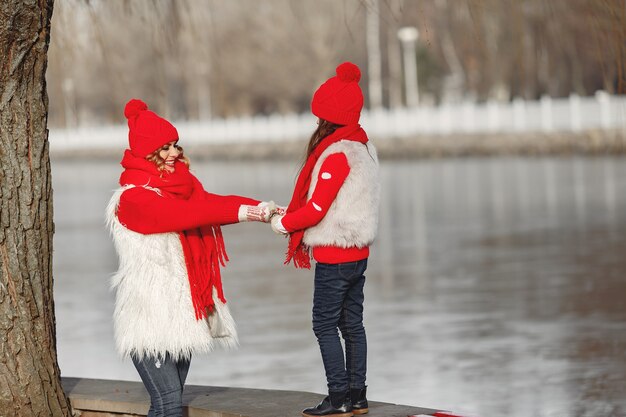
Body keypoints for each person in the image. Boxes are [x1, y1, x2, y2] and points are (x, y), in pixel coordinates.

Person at [106, 99, 275, 417]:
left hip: (183, 315)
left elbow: (209, 203)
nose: (174, 153)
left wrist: (263, 209)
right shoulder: (133, 198)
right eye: (165, 148)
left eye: (174, 145)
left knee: (165, 405)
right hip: (150, 319)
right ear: (147, 153)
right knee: (169, 403)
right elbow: (186, 215)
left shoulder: (183, 186)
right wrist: (243, 213)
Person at [270, 62, 380, 417]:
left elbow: (316, 209)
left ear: (329, 115)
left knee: (323, 324)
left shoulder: (337, 154)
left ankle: (337, 398)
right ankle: (358, 396)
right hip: (358, 252)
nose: (316, 123)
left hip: (336, 254)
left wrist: (284, 223)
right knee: (352, 325)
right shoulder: (363, 147)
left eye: (320, 116)